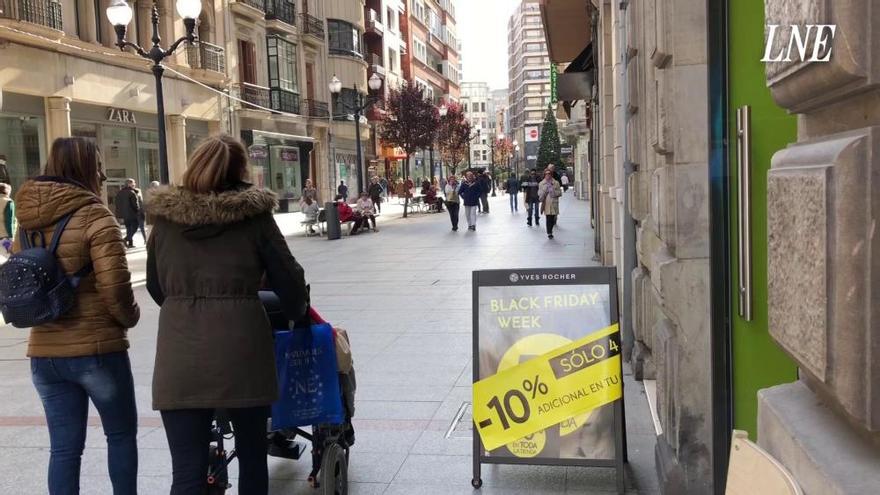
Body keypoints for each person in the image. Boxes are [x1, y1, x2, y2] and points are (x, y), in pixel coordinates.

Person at [146, 135, 309, 495]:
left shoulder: (165, 221)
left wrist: (186, 310)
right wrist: (297, 312)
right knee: (252, 459)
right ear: (240, 172)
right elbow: (289, 279)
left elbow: (156, 286)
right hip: (242, 352)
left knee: (186, 473)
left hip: (180, 355)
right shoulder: (254, 219)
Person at [15, 137, 140, 494]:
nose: (102, 171)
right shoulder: (95, 215)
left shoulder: (26, 221)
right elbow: (114, 286)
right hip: (96, 350)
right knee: (119, 435)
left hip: (44, 351)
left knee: (65, 450)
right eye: (98, 163)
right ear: (88, 168)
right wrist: (129, 317)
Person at [114, 178, 140, 248]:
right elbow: (135, 205)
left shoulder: (119, 193)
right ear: (129, 184)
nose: (135, 184)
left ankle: (130, 244)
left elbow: (117, 204)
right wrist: (138, 211)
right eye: (133, 183)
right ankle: (125, 239)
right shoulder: (132, 192)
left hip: (124, 215)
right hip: (132, 214)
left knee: (128, 228)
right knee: (135, 227)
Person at [538, 168, 563, 239]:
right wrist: (545, 189)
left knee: (552, 219)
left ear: (551, 174)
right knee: (548, 218)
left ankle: (550, 230)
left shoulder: (556, 183)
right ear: (544, 175)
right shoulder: (541, 184)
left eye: (549, 173)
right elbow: (539, 194)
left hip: (554, 203)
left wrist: (554, 192)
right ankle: (549, 232)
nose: (548, 175)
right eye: (546, 174)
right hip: (546, 204)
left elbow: (560, 193)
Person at [0, 183, 16, 256]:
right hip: (5, 238)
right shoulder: (8, 202)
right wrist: (11, 238)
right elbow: (9, 222)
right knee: (8, 258)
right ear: (8, 191)